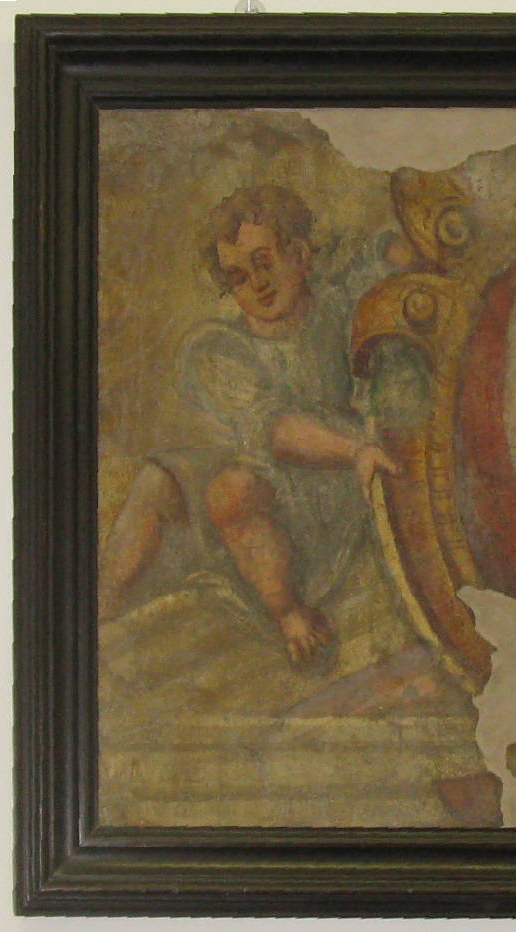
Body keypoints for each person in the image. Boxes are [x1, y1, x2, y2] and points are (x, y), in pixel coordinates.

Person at [98, 184, 401, 664]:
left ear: (299, 255)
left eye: (264, 263)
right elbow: (273, 430)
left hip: (332, 489)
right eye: (239, 277)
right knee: (163, 480)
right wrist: (355, 449)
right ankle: (95, 615)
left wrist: (410, 243)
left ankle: (290, 611)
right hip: (273, 490)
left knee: (232, 488)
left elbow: (388, 256)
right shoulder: (217, 349)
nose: (257, 284)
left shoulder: (339, 304)